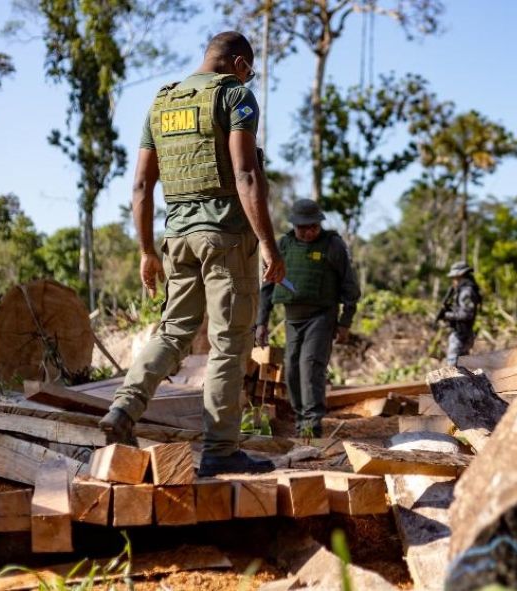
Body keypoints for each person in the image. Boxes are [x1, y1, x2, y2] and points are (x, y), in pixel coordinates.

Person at [98, 31, 285, 477]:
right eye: (250, 69)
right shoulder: (236, 96)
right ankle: (220, 449)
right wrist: (268, 243)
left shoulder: (161, 104)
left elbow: (142, 185)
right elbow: (245, 173)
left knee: (172, 331)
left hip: (177, 238)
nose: (249, 76)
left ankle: (124, 407)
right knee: (228, 342)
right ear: (238, 63)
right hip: (224, 237)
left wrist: (147, 251)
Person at [255, 200, 361, 437]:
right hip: (292, 319)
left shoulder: (332, 245)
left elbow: (350, 286)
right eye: (302, 228)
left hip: (321, 317)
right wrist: (261, 323)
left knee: (310, 365)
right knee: (292, 367)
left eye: (312, 227)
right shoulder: (283, 245)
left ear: (319, 224)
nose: (307, 232)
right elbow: (267, 288)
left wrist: (345, 322)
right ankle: (300, 418)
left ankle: (312, 425)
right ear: (293, 225)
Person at [440, 261, 482, 365]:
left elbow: (467, 314)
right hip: (462, 333)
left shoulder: (466, 292)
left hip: (462, 335)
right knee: (462, 365)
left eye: (454, 278)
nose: (453, 281)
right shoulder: (464, 290)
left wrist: (447, 315)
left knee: (454, 366)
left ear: (461, 276)